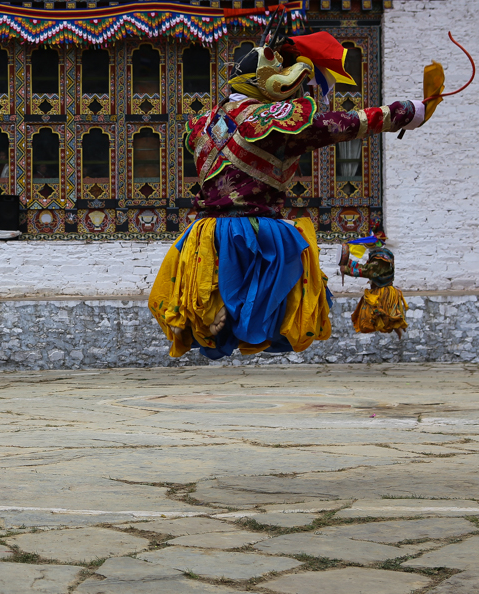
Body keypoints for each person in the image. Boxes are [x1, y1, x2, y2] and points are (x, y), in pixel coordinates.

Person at [148, 23, 433, 359]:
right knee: (297, 294)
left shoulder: (205, 122)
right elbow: (338, 125)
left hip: (206, 233)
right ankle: (230, 313)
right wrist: (407, 112)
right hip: (255, 232)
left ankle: (209, 311)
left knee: (212, 291)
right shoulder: (268, 118)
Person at [340, 229, 407, 338]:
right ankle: (398, 328)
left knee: (382, 317)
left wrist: (347, 270)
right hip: (379, 290)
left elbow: (369, 271)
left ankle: (398, 327)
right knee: (383, 316)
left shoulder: (381, 258)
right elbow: (366, 268)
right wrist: (348, 262)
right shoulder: (379, 255)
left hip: (384, 293)